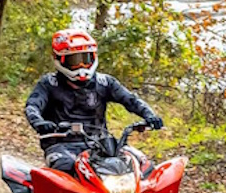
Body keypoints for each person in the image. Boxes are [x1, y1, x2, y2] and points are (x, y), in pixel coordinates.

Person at [24, 27, 163, 173]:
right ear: (60, 60)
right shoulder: (49, 84)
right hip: (62, 145)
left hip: (101, 143)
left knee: (143, 165)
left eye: (86, 59)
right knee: (65, 167)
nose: (82, 66)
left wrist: (150, 115)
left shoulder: (105, 82)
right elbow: (32, 106)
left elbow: (131, 100)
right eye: (75, 61)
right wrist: (39, 123)